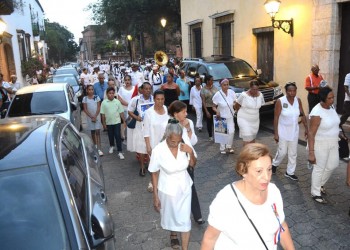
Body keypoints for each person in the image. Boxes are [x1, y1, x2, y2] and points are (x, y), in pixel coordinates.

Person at [201, 143, 295, 250]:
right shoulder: (226, 200)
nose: (267, 177)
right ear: (243, 171)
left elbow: (282, 227)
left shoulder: (273, 191)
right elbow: (209, 239)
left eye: (269, 169)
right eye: (259, 171)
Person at [149, 121, 197, 250]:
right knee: (172, 217)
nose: (176, 144)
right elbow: (154, 173)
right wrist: (155, 196)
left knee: (185, 220)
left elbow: (192, 165)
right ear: (167, 136)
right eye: (173, 142)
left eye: (178, 141)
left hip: (185, 187)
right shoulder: (158, 150)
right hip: (167, 189)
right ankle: (173, 234)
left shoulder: (184, 147)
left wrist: (190, 152)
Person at [168, 100, 205, 225]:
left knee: (191, 187)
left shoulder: (189, 122)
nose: (186, 114)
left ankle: (197, 215)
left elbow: (193, 141)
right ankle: (179, 216)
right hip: (176, 163)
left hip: (189, 160)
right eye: (183, 112)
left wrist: (188, 127)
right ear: (175, 114)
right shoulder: (169, 126)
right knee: (179, 191)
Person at [308, 86, 340, 204]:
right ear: (323, 98)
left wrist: (340, 134)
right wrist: (311, 152)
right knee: (319, 168)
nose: (332, 100)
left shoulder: (331, 107)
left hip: (333, 142)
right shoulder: (317, 112)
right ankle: (315, 192)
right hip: (320, 144)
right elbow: (311, 133)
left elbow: (334, 123)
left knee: (333, 164)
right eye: (330, 98)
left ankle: (320, 184)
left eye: (333, 97)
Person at [271, 82, 308, 180]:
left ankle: (290, 172)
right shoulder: (280, 101)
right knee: (282, 152)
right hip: (283, 131)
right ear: (286, 91)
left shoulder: (298, 100)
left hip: (294, 131)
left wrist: (306, 129)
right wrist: (276, 133)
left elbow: (302, 114)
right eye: (290, 91)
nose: (292, 93)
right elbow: (276, 117)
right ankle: (274, 164)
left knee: (293, 153)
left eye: (294, 91)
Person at [143, 90, 169, 192]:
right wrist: (148, 146)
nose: (160, 101)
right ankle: (152, 182)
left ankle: (163, 182)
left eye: (162, 99)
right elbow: (146, 131)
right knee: (154, 165)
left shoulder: (166, 109)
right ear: (154, 100)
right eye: (158, 99)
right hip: (154, 144)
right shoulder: (149, 113)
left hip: (166, 143)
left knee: (165, 164)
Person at [127, 82, 154, 176]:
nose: (148, 91)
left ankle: (151, 166)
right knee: (142, 147)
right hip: (140, 127)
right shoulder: (136, 100)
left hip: (151, 127)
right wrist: (136, 117)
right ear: (142, 90)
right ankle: (142, 167)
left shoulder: (154, 99)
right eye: (146, 89)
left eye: (149, 89)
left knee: (151, 146)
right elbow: (129, 111)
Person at [234, 80, 265, 145]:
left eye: (257, 89)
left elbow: (261, 105)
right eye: (253, 89)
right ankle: (246, 155)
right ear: (250, 88)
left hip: (255, 120)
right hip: (243, 119)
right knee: (247, 139)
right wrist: (238, 112)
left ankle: (250, 154)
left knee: (252, 139)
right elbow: (236, 105)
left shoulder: (261, 95)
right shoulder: (243, 95)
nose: (255, 91)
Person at [212, 79, 237, 154]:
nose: (226, 86)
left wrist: (236, 106)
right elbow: (213, 106)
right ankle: (222, 148)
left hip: (230, 115)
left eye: (227, 84)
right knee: (222, 133)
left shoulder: (232, 92)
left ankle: (229, 146)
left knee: (232, 131)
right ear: (221, 85)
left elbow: (235, 102)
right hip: (221, 116)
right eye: (224, 85)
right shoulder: (217, 94)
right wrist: (217, 112)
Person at [100, 87, 125, 160]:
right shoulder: (104, 103)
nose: (111, 95)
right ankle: (112, 146)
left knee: (118, 136)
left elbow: (121, 112)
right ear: (107, 94)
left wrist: (124, 121)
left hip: (117, 122)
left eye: (112, 93)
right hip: (108, 123)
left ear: (114, 94)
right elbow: (102, 114)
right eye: (109, 93)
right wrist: (104, 124)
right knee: (110, 135)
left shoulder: (117, 102)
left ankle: (120, 151)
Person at [82, 85, 103, 156]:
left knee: (98, 131)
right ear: (87, 90)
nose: (91, 91)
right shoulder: (85, 99)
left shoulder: (97, 97)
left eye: (92, 89)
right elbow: (85, 109)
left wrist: (95, 116)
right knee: (93, 132)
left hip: (97, 116)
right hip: (89, 117)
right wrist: (91, 116)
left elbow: (98, 107)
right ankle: (95, 146)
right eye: (89, 89)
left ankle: (99, 148)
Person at [201, 75, 218, 141]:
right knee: (209, 122)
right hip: (208, 107)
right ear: (207, 81)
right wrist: (206, 111)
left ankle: (217, 135)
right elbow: (203, 101)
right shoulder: (203, 90)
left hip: (215, 107)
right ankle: (210, 135)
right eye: (211, 80)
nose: (212, 81)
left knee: (216, 122)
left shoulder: (215, 88)